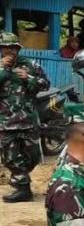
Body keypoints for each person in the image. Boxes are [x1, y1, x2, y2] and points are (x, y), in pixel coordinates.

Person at [0, 31, 49, 202]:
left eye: (13, 47)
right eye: (6, 48)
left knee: (32, 157)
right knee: (11, 158)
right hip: (6, 122)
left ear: (18, 49)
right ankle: (23, 189)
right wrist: (2, 69)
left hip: (28, 120)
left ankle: (22, 181)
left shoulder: (31, 65)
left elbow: (45, 84)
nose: (10, 51)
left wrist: (29, 77)